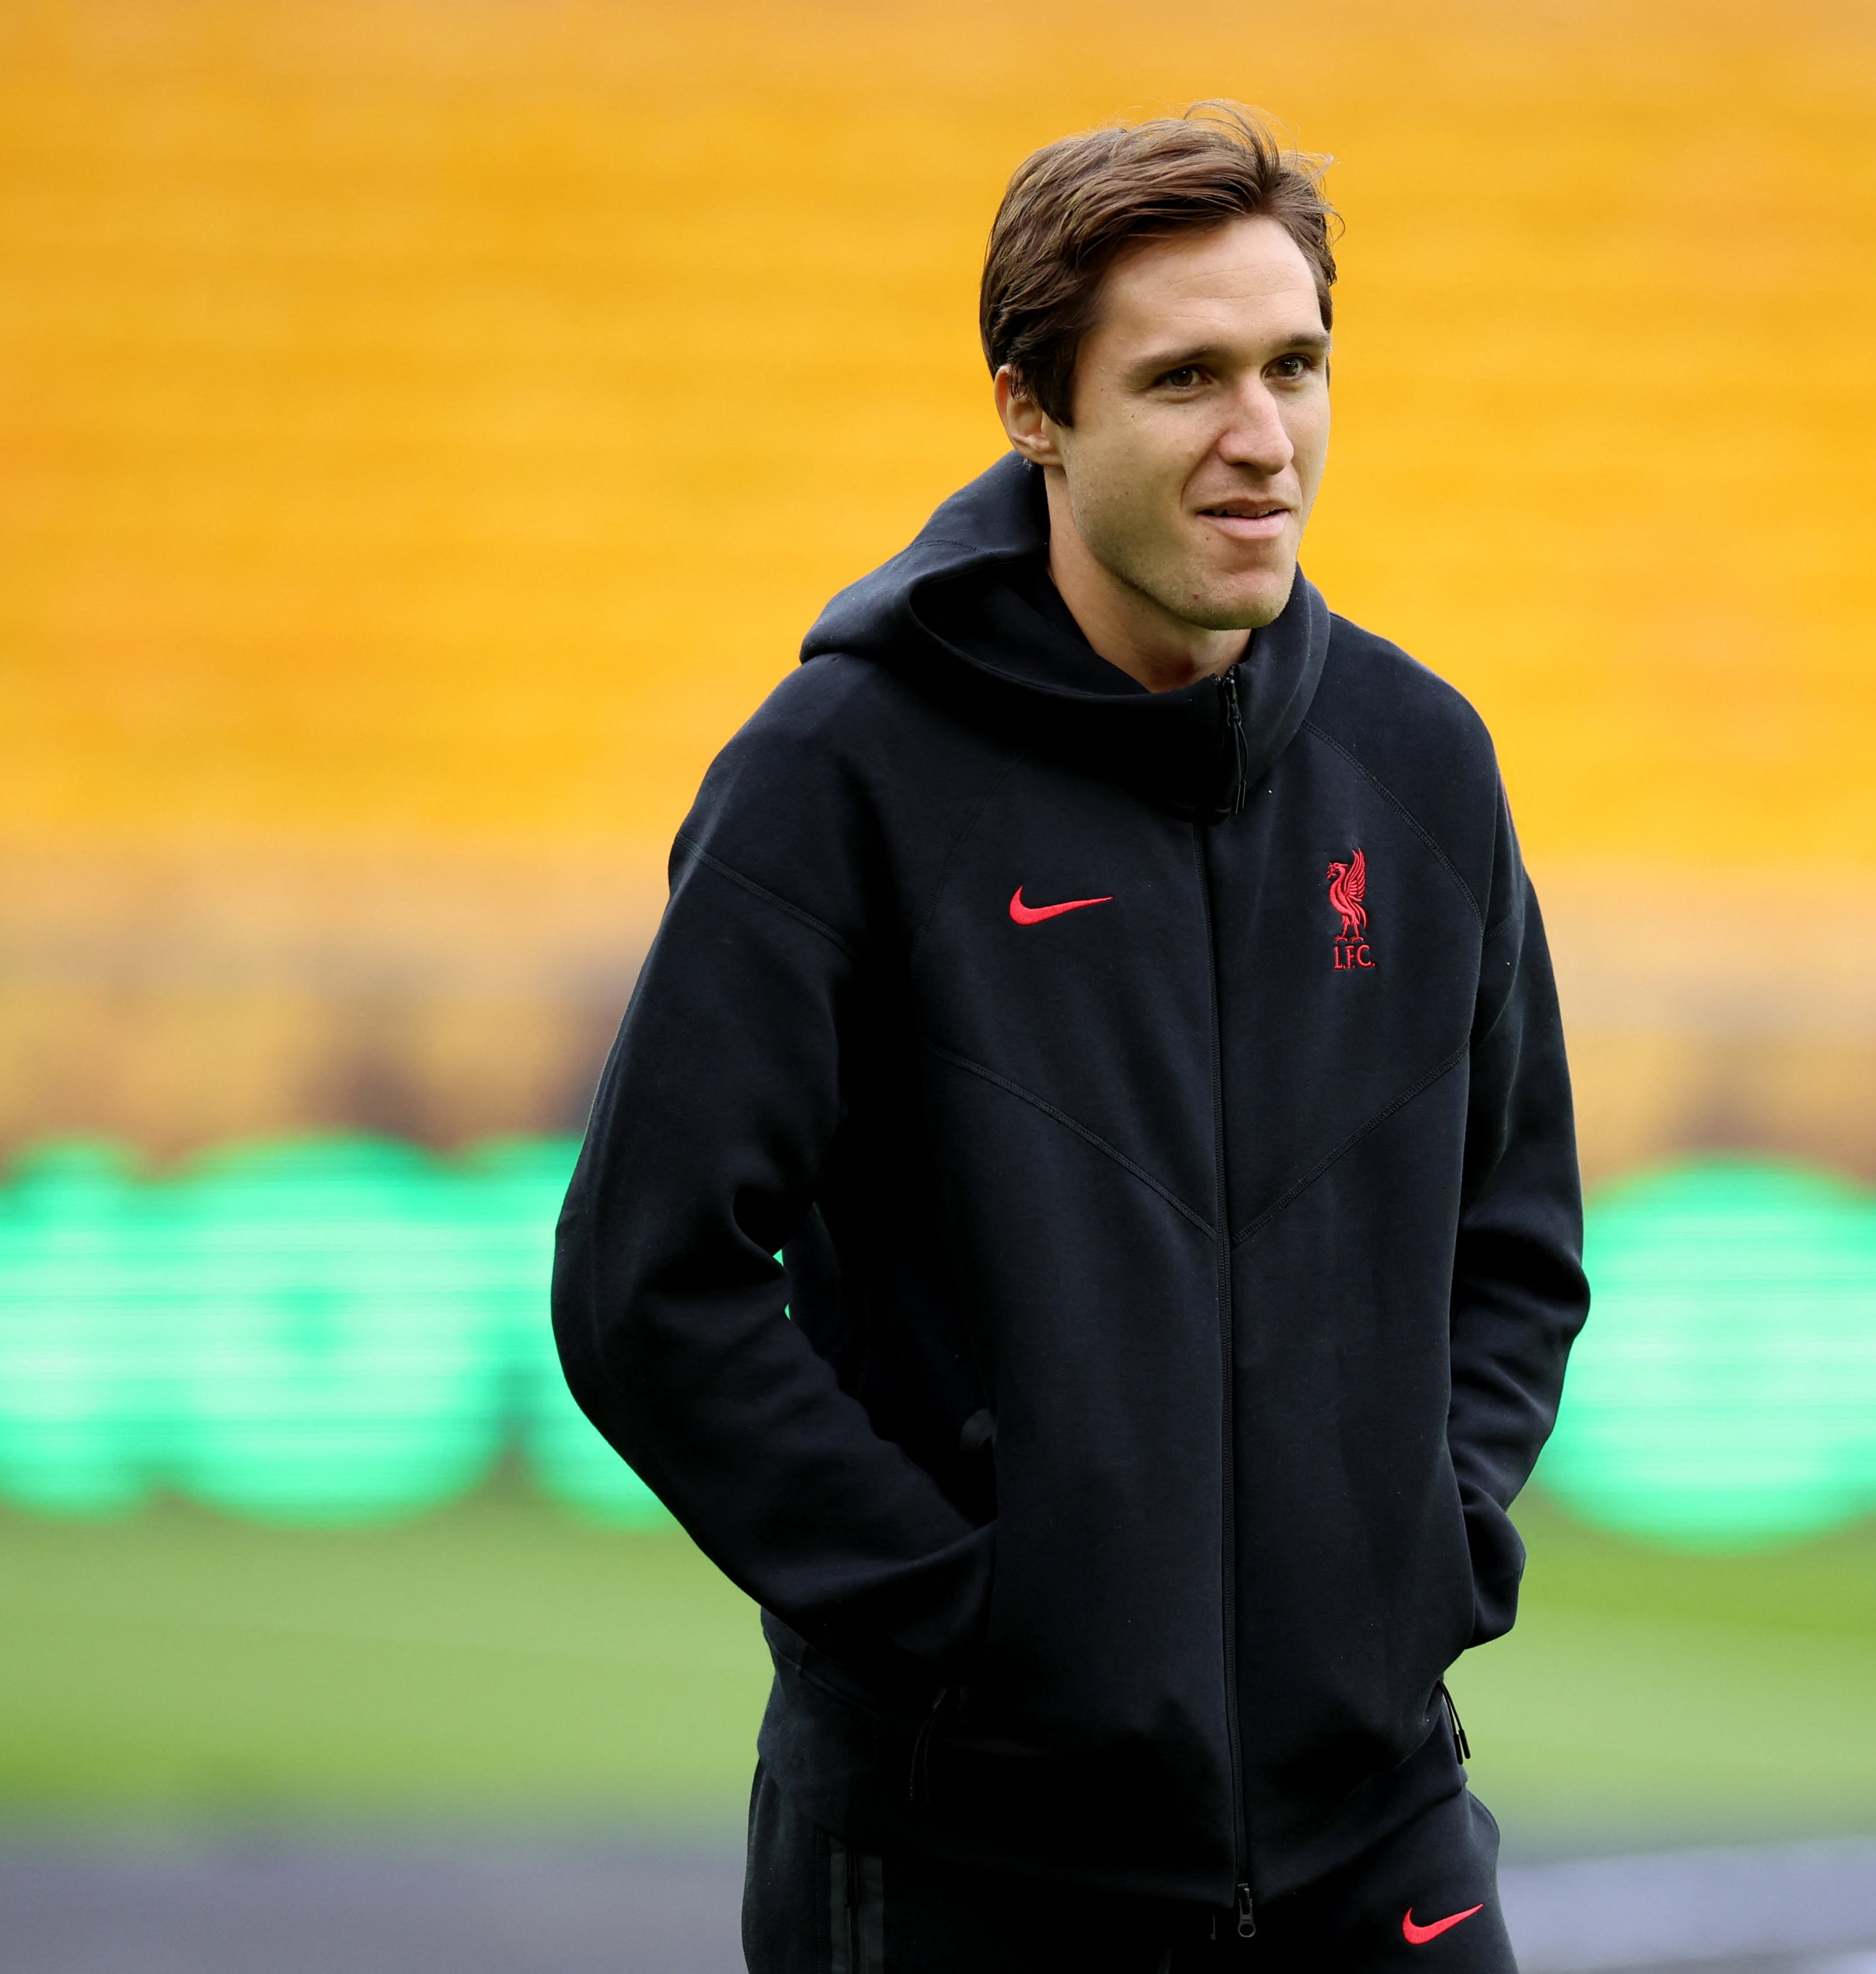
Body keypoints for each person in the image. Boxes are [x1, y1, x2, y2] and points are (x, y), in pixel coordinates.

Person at [554, 103, 1586, 1973]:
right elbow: (652, 1283)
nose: (1261, 439)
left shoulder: (1423, 767)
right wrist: (966, 1628)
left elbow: (1517, 1241)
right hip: (973, 1854)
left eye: (1296, 367)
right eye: (1185, 377)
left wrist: (1422, 1551)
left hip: (1381, 1834)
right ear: (1034, 409)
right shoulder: (837, 782)